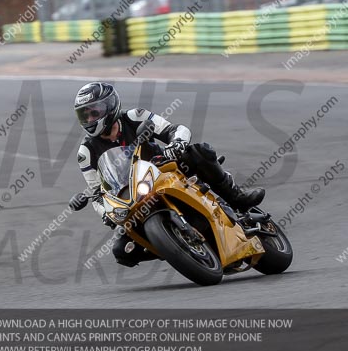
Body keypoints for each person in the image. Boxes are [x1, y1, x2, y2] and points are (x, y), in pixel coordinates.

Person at [69, 81, 265, 267]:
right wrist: (105, 214)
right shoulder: (86, 152)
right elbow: (96, 192)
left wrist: (177, 143)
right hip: (130, 195)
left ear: (110, 106)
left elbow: (175, 129)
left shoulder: (135, 116)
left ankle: (237, 198)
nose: (90, 119)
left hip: (163, 168)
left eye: (94, 113)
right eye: (84, 116)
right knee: (122, 251)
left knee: (200, 152)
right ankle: (172, 245)